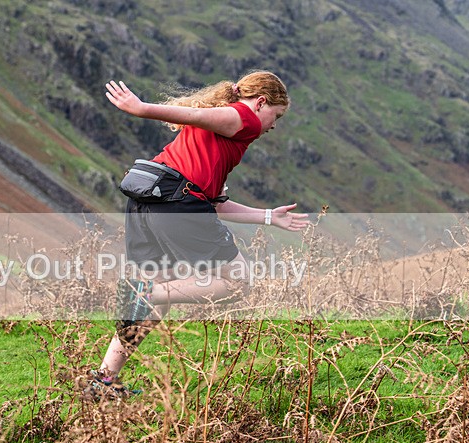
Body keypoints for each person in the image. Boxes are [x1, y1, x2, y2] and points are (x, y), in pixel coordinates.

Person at [86, 71, 309, 398]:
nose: (273, 125)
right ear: (261, 103)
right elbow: (194, 115)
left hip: (148, 201)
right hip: (176, 204)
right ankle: (145, 292)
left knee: (155, 302)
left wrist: (267, 217)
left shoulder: (220, 140)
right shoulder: (243, 118)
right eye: (275, 116)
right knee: (237, 280)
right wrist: (141, 108)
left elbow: (214, 202)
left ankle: (102, 383)